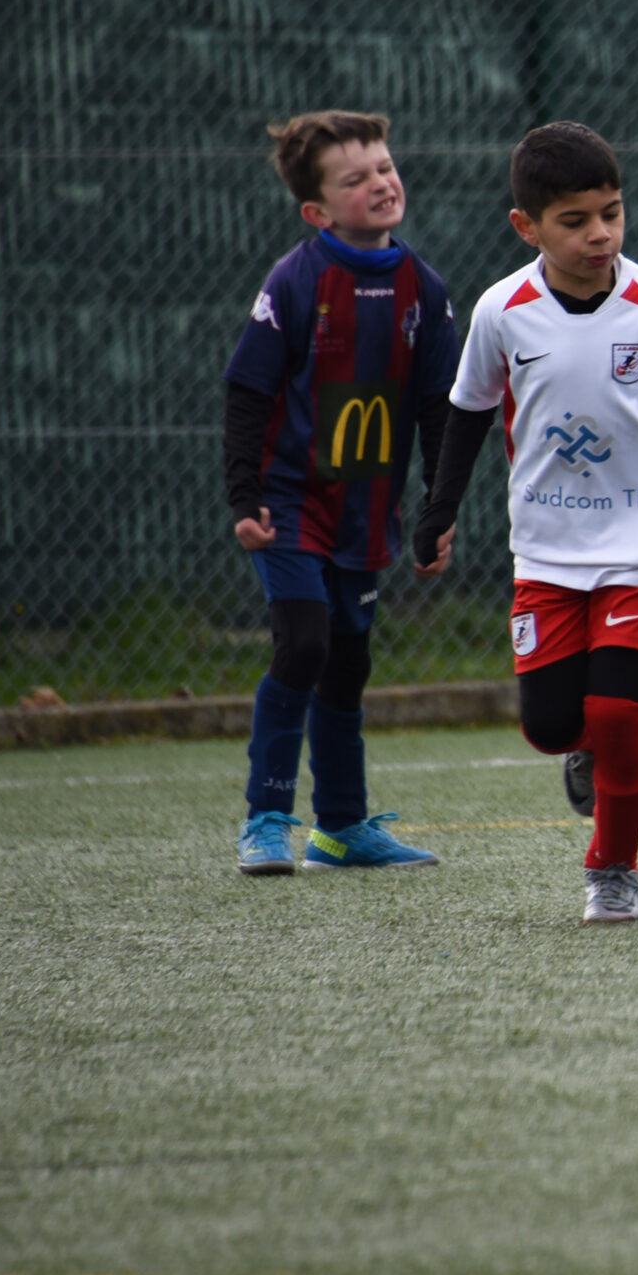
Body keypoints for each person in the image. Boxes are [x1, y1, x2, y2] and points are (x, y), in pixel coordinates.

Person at [412, 122, 638, 925]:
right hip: (546, 548)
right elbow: (468, 411)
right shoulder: (502, 310)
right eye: (574, 221)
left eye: (611, 213)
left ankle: (613, 867)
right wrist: (440, 507)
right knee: (551, 724)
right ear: (527, 226)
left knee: (615, 712)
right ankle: (581, 749)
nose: (600, 234)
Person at [224, 110, 458, 875]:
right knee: (305, 644)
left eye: (384, 167)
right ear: (316, 211)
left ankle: (341, 828)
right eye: (355, 179)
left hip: (366, 510)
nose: (381, 184)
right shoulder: (295, 282)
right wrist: (244, 497)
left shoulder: (424, 287)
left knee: (349, 659)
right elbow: (248, 392)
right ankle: (265, 818)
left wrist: (438, 508)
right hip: (290, 505)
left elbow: (440, 408)